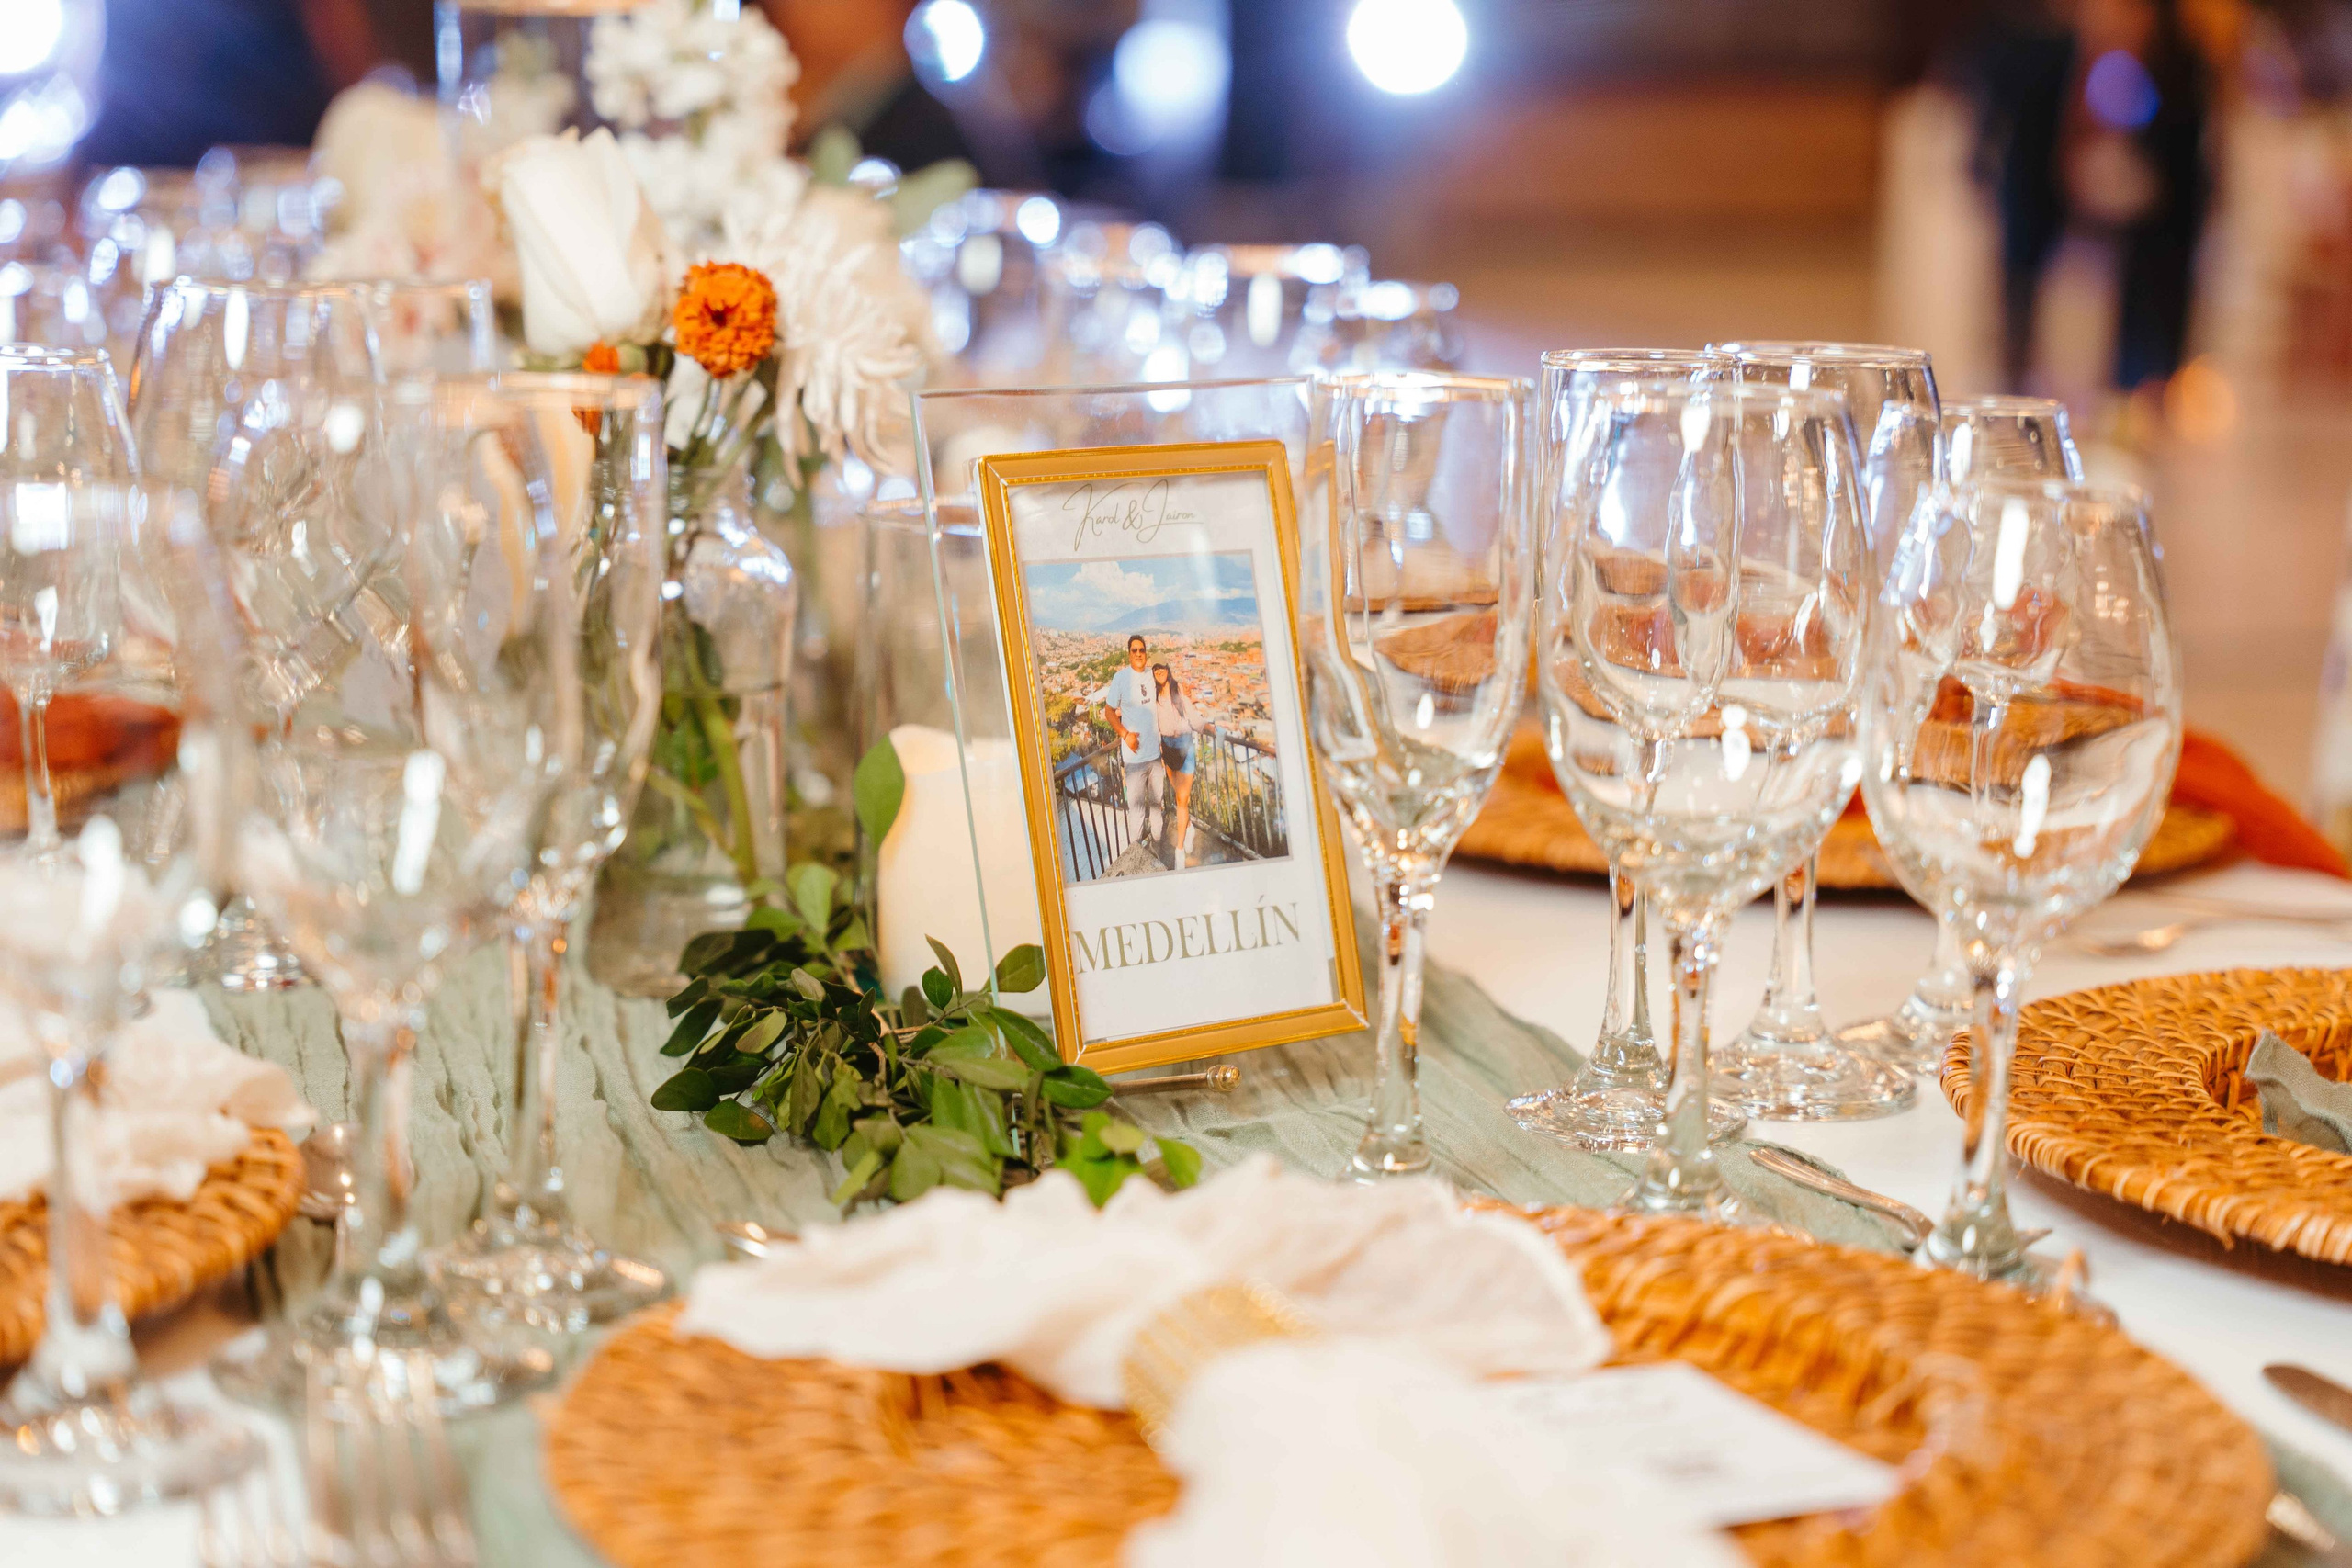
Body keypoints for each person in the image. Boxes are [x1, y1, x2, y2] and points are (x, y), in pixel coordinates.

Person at [1089, 634, 1164, 856]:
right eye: (1135, 650)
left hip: (1155, 757)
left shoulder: (1153, 675)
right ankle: (1136, 853)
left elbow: (1169, 688)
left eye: (1142, 650)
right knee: (1137, 811)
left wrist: (1184, 693)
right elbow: (1109, 711)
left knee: (1157, 806)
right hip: (1134, 760)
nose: (1139, 653)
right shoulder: (1121, 678)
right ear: (1129, 654)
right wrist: (1125, 734)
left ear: (1146, 653)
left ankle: (1158, 849)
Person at [1153, 662, 1204, 870]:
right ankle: (1189, 826)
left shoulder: (1178, 689)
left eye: (1162, 668)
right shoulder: (1153, 698)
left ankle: (1180, 850)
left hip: (1184, 746)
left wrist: (1205, 726)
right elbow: (1152, 723)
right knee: (1177, 797)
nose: (1159, 673)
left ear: (1168, 669)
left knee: (1182, 801)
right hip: (1167, 748)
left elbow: (1191, 713)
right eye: (1155, 670)